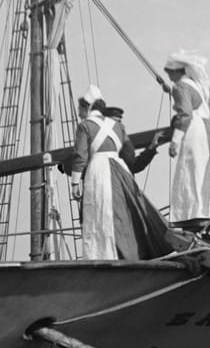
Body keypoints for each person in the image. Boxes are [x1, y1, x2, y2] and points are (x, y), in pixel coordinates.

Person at [69, 86, 169, 260]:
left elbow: (80, 156)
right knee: (124, 213)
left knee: (99, 212)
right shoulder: (118, 127)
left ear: (87, 107)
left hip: (97, 171)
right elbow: (132, 160)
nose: (79, 113)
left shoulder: (84, 126)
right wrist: (152, 147)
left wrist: (75, 182)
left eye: (80, 109)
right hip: (120, 170)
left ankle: (101, 255)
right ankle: (134, 252)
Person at [163, 51, 210, 235]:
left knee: (191, 172)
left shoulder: (180, 87)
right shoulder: (202, 86)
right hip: (208, 129)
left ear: (179, 71)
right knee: (207, 174)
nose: (168, 75)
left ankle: (195, 217)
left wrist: (175, 141)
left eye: (170, 71)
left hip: (192, 130)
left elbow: (184, 113)